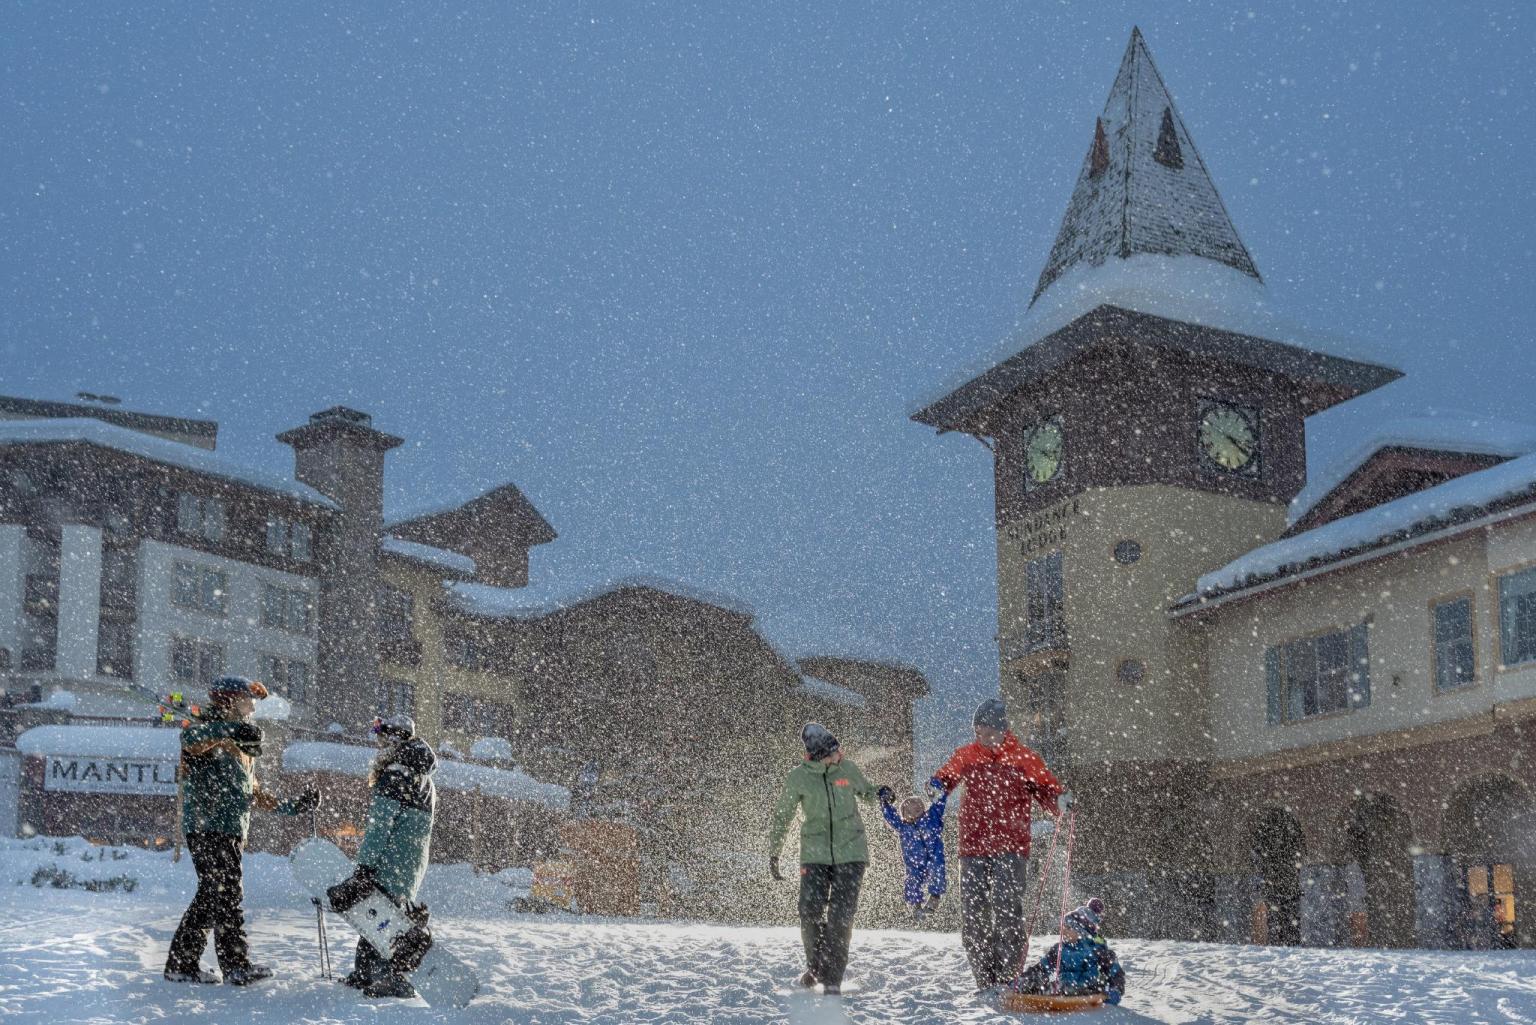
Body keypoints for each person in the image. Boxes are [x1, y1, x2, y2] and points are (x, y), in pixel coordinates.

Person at [164, 676, 319, 985]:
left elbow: (254, 793)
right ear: (231, 702)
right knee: (225, 894)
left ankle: (182, 964)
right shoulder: (205, 729)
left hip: (229, 829)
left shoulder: (241, 745)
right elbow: (191, 741)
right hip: (209, 827)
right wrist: (229, 730)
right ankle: (234, 965)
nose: (251, 708)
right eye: (248, 700)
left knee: (212, 896)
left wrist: (294, 806)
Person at [931, 697, 1063, 992]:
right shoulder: (966, 755)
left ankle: (1007, 976)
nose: (985, 738)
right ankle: (983, 976)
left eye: (990, 732)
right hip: (973, 845)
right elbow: (946, 776)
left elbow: (1047, 789)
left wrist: (1059, 801)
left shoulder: (1024, 758)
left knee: (1007, 910)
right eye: (980, 732)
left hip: (1011, 846)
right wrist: (937, 786)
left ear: (1004, 730)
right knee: (973, 913)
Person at [768, 722, 887, 996]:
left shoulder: (848, 769)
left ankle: (832, 977)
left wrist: (880, 793)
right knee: (809, 912)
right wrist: (775, 852)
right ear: (816, 755)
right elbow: (782, 816)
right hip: (814, 854)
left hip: (852, 852)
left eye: (837, 749)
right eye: (831, 753)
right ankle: (816, 967)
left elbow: (867, 792)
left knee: (841, 916)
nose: (838, 755)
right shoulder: (798, 777)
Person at [330, 715, 438, 998]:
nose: (378, 746)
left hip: (390, 859)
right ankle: (366, 972)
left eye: (382, 740)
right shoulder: (421, 776)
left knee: (381, 919)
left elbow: (380, 827)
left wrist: (364, 867)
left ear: (393, 741)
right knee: (378, 914)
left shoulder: (395, 774)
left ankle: (390, 977)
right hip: (410, 861)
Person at [1009, 899, 1126, 1004]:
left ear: (1081, 932)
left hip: (1088, 989)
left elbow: (1116, 973)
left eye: (1069, 928)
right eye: (1064, 927)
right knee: (1038, 984)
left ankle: (1053, 991)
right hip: (1062, 987)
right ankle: (1025, 988)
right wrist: (1026, 979)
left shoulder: (1096, 950)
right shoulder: (1059, 949)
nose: (1063, 931)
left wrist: (1116, 990)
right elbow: (1043, 968)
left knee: (1066, 988)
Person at [878, 787, 949, 917]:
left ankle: (934, 897)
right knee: (912, 880)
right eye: (908, 811)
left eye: (917, 809)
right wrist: (885, 802)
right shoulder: (903, 826)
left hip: (933, 858)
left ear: (923, 809)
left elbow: (939, 803)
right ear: (903, 815)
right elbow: (890, 816)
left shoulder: (931, 819)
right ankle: (915, 905)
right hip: (914, 864)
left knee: (937, 871)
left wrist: (937, 789)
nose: (914, 813)